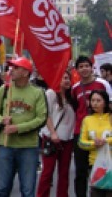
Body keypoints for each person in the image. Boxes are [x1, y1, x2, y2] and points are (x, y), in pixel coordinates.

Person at [0, 57, 47, 197]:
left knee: (27, 190)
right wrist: (2, 120)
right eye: (11, 68)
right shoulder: (5, 89)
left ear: (26, 73)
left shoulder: (37, 92)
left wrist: (18, 128)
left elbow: (41, 119)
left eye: (16, 68)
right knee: (2, 189)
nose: (11, 71)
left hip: (28, 147)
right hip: (6, 145)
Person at [71, 55, 112, 197]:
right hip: (81, 132)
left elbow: (110, 103)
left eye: (86, 66)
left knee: (104, 168)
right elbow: (75, 108)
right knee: (81, 171)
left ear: (92, 67)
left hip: (103, 132)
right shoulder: (75, 88)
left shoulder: (103, 84)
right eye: (81, 66)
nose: (84, 69)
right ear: (76, 70)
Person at [37, 70, 76, 197]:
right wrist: (53, 133)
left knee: (64, 173)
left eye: (68, 78)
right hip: (51, 139)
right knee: (47, 173)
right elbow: (45, 114)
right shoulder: (51, 93)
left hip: (67, 140)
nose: (67, 81)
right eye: (63, 78)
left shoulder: (71, 96)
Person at [78, 89, 112, 197]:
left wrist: (105, 141)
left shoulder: (110, 118)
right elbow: (81, 142)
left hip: (111, 163)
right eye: (93, 100)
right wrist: (94, 144)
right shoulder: (87, 120)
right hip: (95, 165)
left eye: (98, 100)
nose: (95, 103)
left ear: (105, 102)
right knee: (96, 193)